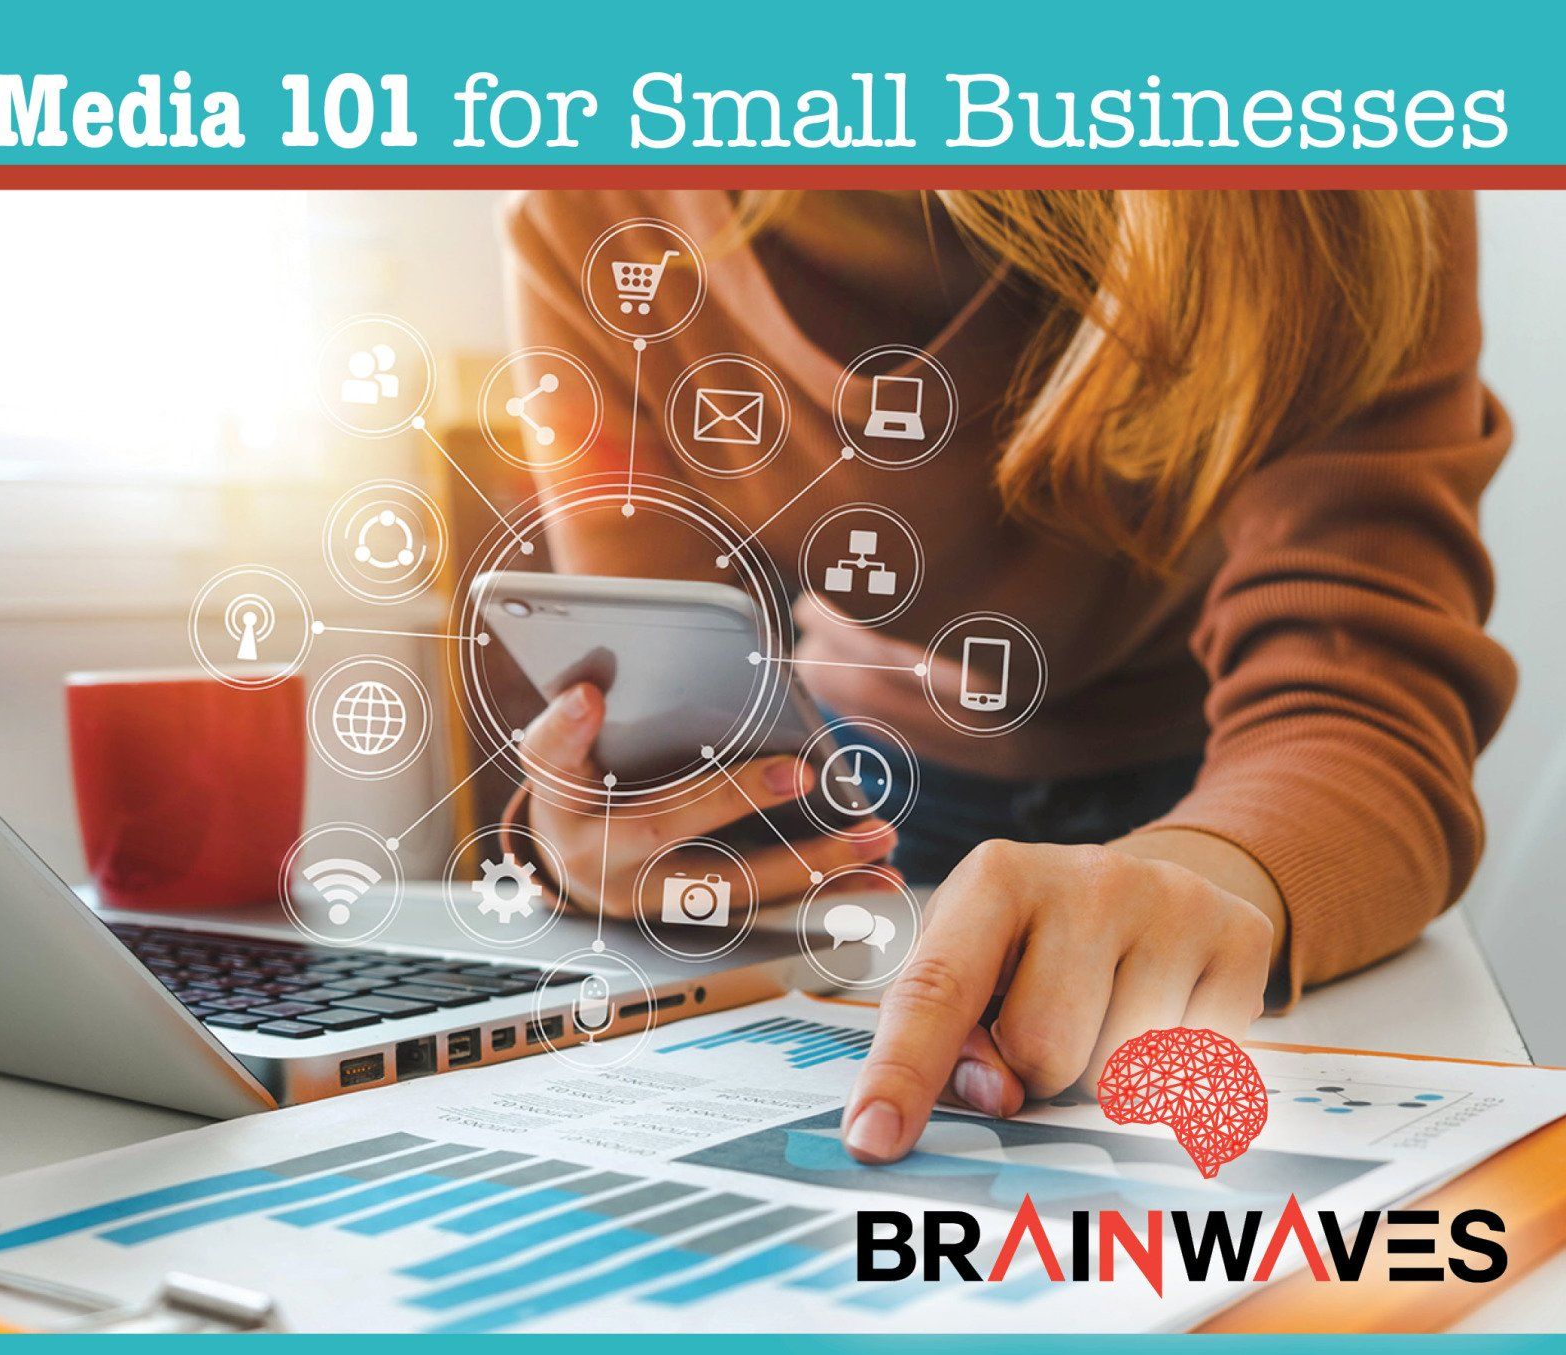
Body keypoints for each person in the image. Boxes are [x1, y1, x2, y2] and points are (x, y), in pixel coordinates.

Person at [498, 189, 1517, 1164]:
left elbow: (1363, 691)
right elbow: (662, 685)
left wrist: (1210, 867)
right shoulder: (591, 202)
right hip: (858, 791)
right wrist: (603, 827)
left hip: (1233, 793)